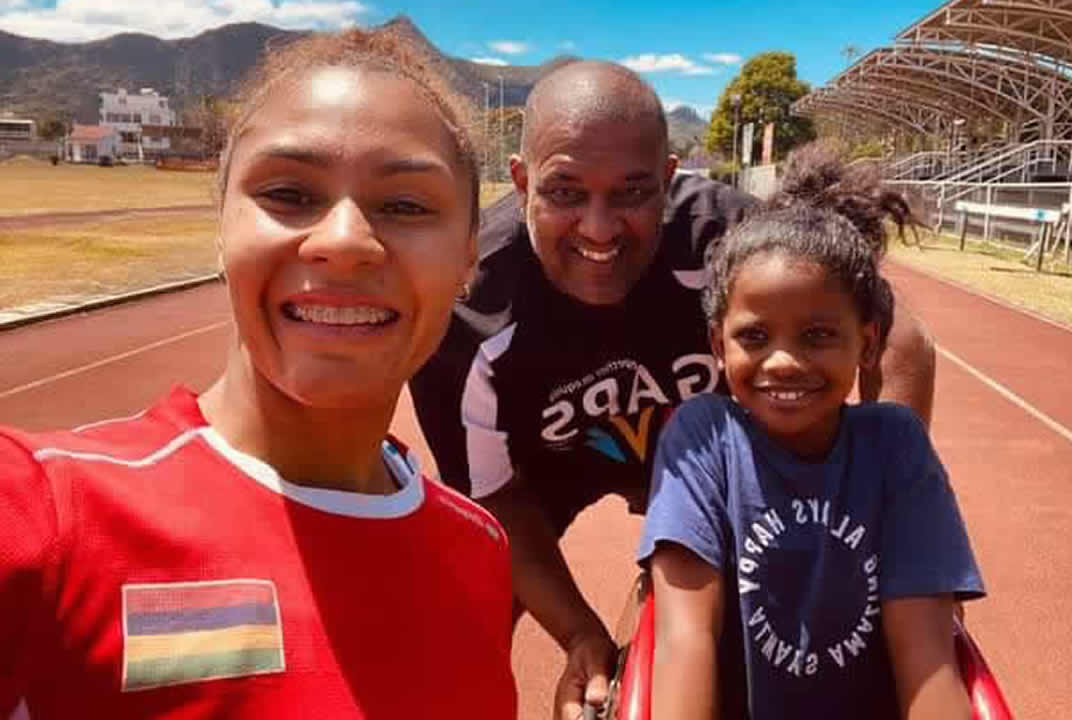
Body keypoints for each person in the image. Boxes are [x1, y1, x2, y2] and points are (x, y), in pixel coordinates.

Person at [0, 27, 515, 719]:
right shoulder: (45, 512)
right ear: (222, 231)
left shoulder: (479, 550)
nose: (344, 242)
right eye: (288, 193)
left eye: (406, 206)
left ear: (468, 258)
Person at [409, 60, 938, 719]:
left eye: (631, 193)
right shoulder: (470, 306)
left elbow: (897, 338)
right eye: (565, 192)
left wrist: (872, 507)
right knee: (469, 605)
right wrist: (577, 633)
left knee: (760, 598)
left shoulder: (726, 241)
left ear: (668, 179)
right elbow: (492, 497)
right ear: (521, 183)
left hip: (709, 454)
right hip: (541, 470)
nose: (598, 228)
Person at [637, 166, 984, 720]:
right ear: (718, 346)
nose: (783, 362)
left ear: (867, 344)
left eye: (818, 335)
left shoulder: (896, 448)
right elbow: (685, 640)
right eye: (754, 336)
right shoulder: (705, 438)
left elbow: (926, 659)